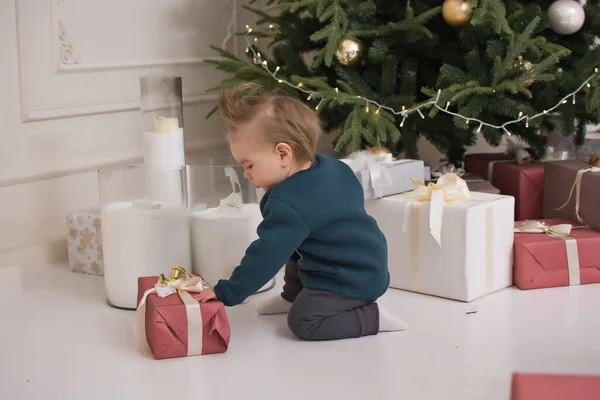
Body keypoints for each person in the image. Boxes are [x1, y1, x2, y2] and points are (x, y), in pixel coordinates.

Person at [196, 83, 408, 340]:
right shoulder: (331, 167)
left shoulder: (291, 204)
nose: (246, 174)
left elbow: (265, 255)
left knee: (303, 321)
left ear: (283, 153)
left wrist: (227, 292)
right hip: (365, 260)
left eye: (249, 164)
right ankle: (292, 295)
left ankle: (371, 318)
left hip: (348, 280)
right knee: (296, 248)